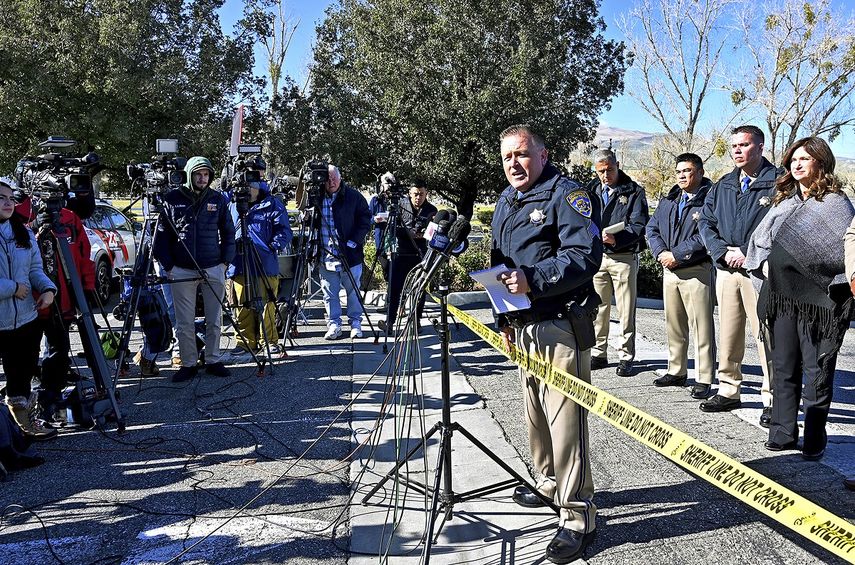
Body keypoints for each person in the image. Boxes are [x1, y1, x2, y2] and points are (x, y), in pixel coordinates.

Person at [492, 124, 601, 564]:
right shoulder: (505, 200)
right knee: (536, 417)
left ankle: (578, 517)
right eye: (506, 158)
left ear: (542, 154)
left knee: (565, 425)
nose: (514, 164)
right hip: (525, 325)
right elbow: (500, 264)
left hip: (560, 324)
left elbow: (583, 255)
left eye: (521, 154)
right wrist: (505, 317)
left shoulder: (567, 194)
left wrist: (533, 281)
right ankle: (549, 484)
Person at [744, 137, 853, 459]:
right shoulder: (784, 201)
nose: (797, 164)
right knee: (783, 366)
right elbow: (760, 241)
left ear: (821, 162)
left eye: (805, 158)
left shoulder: (836, 203)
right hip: (781, 298)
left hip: (820, 303)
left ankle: (815, 438)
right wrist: (764, 264)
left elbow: (844, 254)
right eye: (793, 158)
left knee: (817, 369)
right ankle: (781, 432)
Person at [698, 125, 781, 424]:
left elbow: (780, 228)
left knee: (766, 335)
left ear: (760, 147)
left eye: (744, 145)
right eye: (734, 145)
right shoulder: (723, 185)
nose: (737, 150)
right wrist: (722, 252)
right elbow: (706, 223)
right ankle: (729, 389)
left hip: (759, 272)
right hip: (726, 269)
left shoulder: (779, 184)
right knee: (729, 333)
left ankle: (773, 398)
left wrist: (749, 253)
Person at [13, 193, 97, 419]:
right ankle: (22, 404)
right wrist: (35, 225)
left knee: (59, 350)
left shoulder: (70, 217)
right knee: (25, 354)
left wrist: (87, 288)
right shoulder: (19, 213)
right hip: (27, 302)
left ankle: (52, 396)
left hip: (63, 300)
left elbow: (84, 254)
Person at [154, 157, 236, 382]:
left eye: (206, 174)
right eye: (198, 174)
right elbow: (160, 238)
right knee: (184, 322)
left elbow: (229, 233)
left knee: (215, 319)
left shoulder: (218, 200)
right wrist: (169, 266)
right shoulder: (172, 199)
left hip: (213, 267)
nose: (202, 178)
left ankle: (213, 359)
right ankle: (188, 363)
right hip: (181, 270)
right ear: (190, 175)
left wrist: (224, 263)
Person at [646, 153, 715, 398]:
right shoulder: (670, 199)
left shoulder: (711, 199)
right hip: (670, 270)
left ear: (699, 172)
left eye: (687, 171)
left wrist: (676, 253)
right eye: (679, 172)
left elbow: (706, 235)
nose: (682, 176)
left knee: (701, 327)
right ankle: (677, 370)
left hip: (696, 270)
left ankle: (704, 377)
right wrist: (661, 253)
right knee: (674, 325)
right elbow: (651, 227)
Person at [0, 179, 57, 440]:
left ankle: (24, 423)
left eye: (11, 198)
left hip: (25, 319)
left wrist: (47, 290)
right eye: (1, 197)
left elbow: (35, 269)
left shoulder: (22, 233)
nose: (8, 202)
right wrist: (12, 287)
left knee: (21, 376)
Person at [588, 148, 649, 376]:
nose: (606, 175)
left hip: (623, 257)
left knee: (625, 309)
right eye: (601, 171)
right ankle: (598, 352)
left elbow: (638, 224)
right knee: (599, 308)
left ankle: (626, 355)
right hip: (598, 257)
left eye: (610, 170)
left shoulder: (633, 191)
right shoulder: (591, 190)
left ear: (618, 165)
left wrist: (617, 238)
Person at [227, 180, 293, 358]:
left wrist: (271, 246)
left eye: (251, 185)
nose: (247, 189)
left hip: (265, 264)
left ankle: (269, 342)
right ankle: (245, 343)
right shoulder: (232, 204)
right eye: (244, 185)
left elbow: (285, 231)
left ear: (259, 188)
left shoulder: (272, 204)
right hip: (238, 262)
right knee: (240, 304)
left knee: (267, 304)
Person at [317, 165, 371, 340]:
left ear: (340, 178)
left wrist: (354, 241)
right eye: (328, 178)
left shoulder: (353, 196)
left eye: (334, 178)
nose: (331, 182)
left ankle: (356, 323)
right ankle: (334, 324)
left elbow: (365, 219)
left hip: (350, 255)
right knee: (329, 293)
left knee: (353, 292)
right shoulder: (316, 197)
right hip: (326, 255)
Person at [380, 180, 437, 333]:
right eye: (415, 194)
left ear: (426, 194)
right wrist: (408, 233)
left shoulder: (432, 210)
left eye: (422, 194)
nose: (418, 197)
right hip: (401, 253)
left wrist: (423, 233)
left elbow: (433, 232)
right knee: (394, 289)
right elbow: (391, 228)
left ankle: (416, 321)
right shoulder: (400, 207)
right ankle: (390, 322)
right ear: (410, 194)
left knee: (419, 290)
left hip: (420, 254)